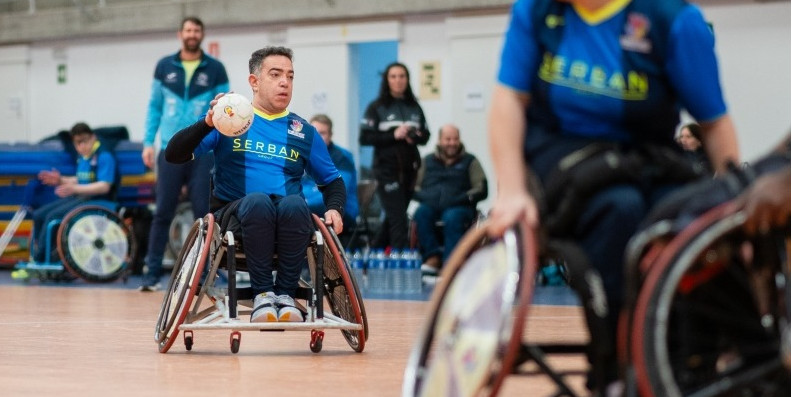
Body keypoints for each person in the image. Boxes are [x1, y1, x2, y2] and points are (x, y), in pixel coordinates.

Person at [485, 0, 740, 393]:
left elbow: (716, 123)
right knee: (621, 210)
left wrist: (729, 206)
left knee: (689, 221)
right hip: (562, 154)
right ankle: (618, 366)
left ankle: (691, 358)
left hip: (646, 156)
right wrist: (513, 189)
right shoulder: (535, 11)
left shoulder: (673, 20)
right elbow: (508, 101)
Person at [164, 46, 346, 323]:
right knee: (259, 200)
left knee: (297, 204)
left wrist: (334, 208)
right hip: (235, 218)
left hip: (288, 220)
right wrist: (207, 123)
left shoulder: (303, 131)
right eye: (275, 74)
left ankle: (284, 295)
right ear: (254, 81)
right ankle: (263, 295)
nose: (285, 82)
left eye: (290, 76)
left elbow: (333, 181)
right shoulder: (230, 119)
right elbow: (173, 154)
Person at [139, 16, 229, 291]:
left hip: (203, 150)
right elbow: (154, 107)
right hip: (169, 149)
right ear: (181, 34)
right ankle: (151, 275)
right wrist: (147, 142)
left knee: (204, 214)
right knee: (163, 211)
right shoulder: (164, 67)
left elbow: (225, 110)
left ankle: (203, 277)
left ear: (201, 34)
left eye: (196, 30)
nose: (192, 34)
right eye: (188, 30)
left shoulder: (215, 69)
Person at [359, 62, 430, 251]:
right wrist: (394, 134)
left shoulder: (414, 107)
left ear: (407, 79)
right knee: (399, 219)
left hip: (409, 172)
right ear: (387, 80)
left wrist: (416, 136)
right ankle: (399, 262)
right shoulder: (377, 107)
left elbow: (426, 135)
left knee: (393, 219)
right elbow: (365, 137)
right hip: (386, 171)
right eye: (393, 76)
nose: (398, 81)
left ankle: (371, 257)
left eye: (402, 76)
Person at [413, 123, 487, 283]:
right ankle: (432, 258)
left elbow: (481, 188)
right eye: (448, 139)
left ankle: (451, 264)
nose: (452, 143)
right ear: (439, 140)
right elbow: (415, 187)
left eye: (455, 139)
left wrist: (461, 198)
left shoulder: (470, 161)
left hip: (460, 206)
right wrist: (428, 197)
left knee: (452, 217)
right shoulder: (427, 161)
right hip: (432, 205)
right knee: (421, 213)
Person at [33, 122, 117, 262]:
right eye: (77, 143)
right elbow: (82, 179)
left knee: (52, 217)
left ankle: (41, 259)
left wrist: (74, 189)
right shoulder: (84, 157)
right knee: (39, 214)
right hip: (82, 198)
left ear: (93, 137)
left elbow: (104, 186)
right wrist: (60, 180)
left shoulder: (104, 156)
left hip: (99, 200)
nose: (82, 146)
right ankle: (39, 253)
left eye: (84, 141)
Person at [302, 114, 359, 236]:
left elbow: (339, 188)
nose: (317, 137)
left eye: (322, 133)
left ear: (330, 135)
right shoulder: (305, 152)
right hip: (313, 207)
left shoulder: (342, 157)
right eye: (314, 132)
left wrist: (304, 201)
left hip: (341, 210)